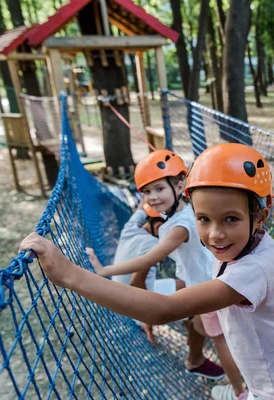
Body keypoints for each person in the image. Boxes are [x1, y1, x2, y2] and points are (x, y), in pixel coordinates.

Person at [19, 144, 274, 400]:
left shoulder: (251, 271)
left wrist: (70, 275)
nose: (215, 234)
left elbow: (163, 310)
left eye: (230, 219)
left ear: (260, 216)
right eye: (204, 219)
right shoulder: (254, 243)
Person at [86, 149, 245, 393]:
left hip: (208, 287)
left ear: (180, 185)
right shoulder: (188, 210)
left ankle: (239, 393)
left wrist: (105, 269)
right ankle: (201, 364)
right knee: (203, 327)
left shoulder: (179, 226)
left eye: (159, 189)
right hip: (209, 282)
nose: (153, 197)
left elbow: (151, 257)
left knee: (221, 342)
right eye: (147, 191)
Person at [85, 202, 182, 346]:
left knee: (179, 284)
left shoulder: (130, 227)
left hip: (118, 292)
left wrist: (146, 199)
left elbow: (140, 208)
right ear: (158, 227)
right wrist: (146, 320)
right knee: (187, 287)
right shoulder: (153, 245)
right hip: (132, 302)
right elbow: (136, 283)